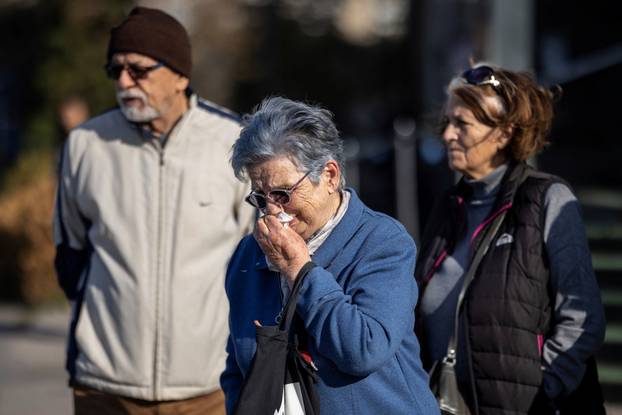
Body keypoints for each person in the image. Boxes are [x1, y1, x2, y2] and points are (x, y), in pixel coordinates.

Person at [53, 7, 255, 414]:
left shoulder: (235, 143)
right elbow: (70, 256)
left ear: (180, 75)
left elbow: (257, 261)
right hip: (105, 389)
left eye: (139, 70)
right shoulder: (86, 145)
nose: (125, 82)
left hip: (210, 389)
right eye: (117, 70)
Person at [221, 96, 439, 414]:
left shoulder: (382, 242)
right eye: (260, 197)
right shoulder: (247, 255)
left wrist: (300, 270)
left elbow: (364, 349)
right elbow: (238, 367)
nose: (272, 210)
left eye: (283, 193)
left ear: (330, 176)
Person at [415, 63, 606, 414]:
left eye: (463, 124)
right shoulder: (448, 205)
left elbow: (583, 319)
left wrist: (541, 394)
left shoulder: (545, 198)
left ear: (503, 134)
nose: (448, 136)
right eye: (447, 123)